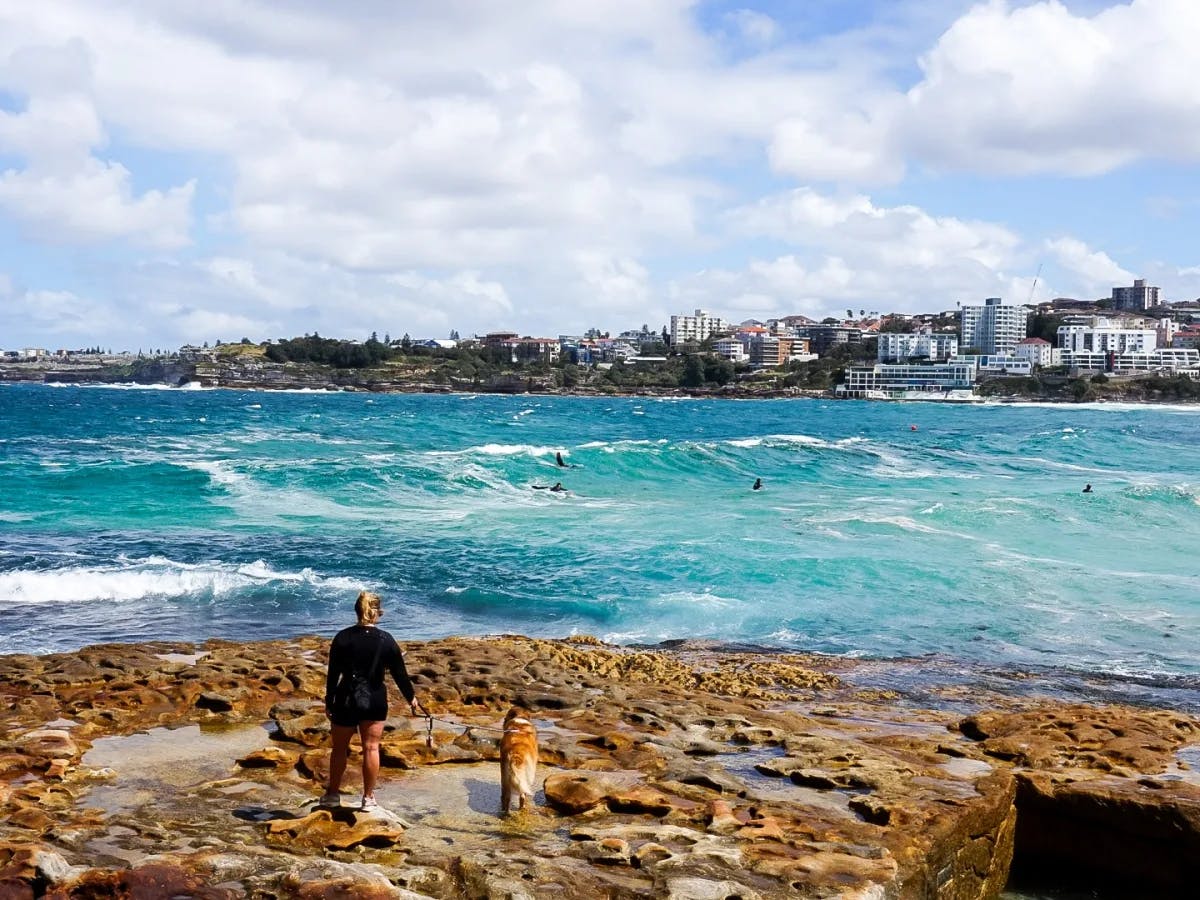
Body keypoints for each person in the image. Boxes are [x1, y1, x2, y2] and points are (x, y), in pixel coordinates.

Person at [322, 591, 425, 812]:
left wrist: (329, 701)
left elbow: (333, 674)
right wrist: (411, 698)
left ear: (356, 611)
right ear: (377, 612)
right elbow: (400, 674)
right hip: (375, 699)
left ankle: (332, 795)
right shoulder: (386, 639)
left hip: (346, 699)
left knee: (339, 750)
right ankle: (368, 798)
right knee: (371, 748)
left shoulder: (342, 637)